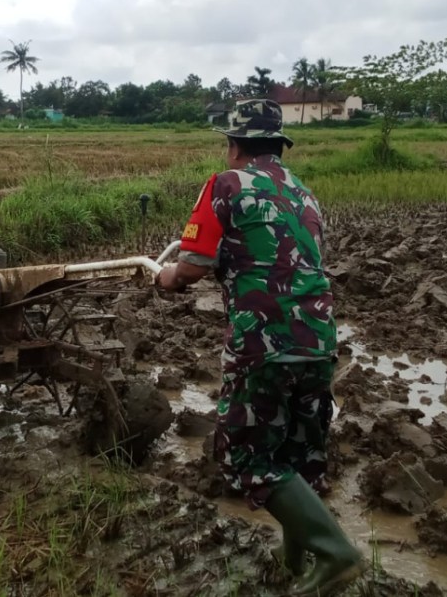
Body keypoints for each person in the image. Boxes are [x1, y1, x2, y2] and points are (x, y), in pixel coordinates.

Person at [155, 99, 363, 595]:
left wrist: (166, 278)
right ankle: (295, 557)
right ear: (278, 146)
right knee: (298, 453)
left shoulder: (224, 184)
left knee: (245, 458)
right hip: (319, 340)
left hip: (263, 342)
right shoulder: (304, 193)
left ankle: (337, 554)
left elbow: (192, 266)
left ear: (234, 145)